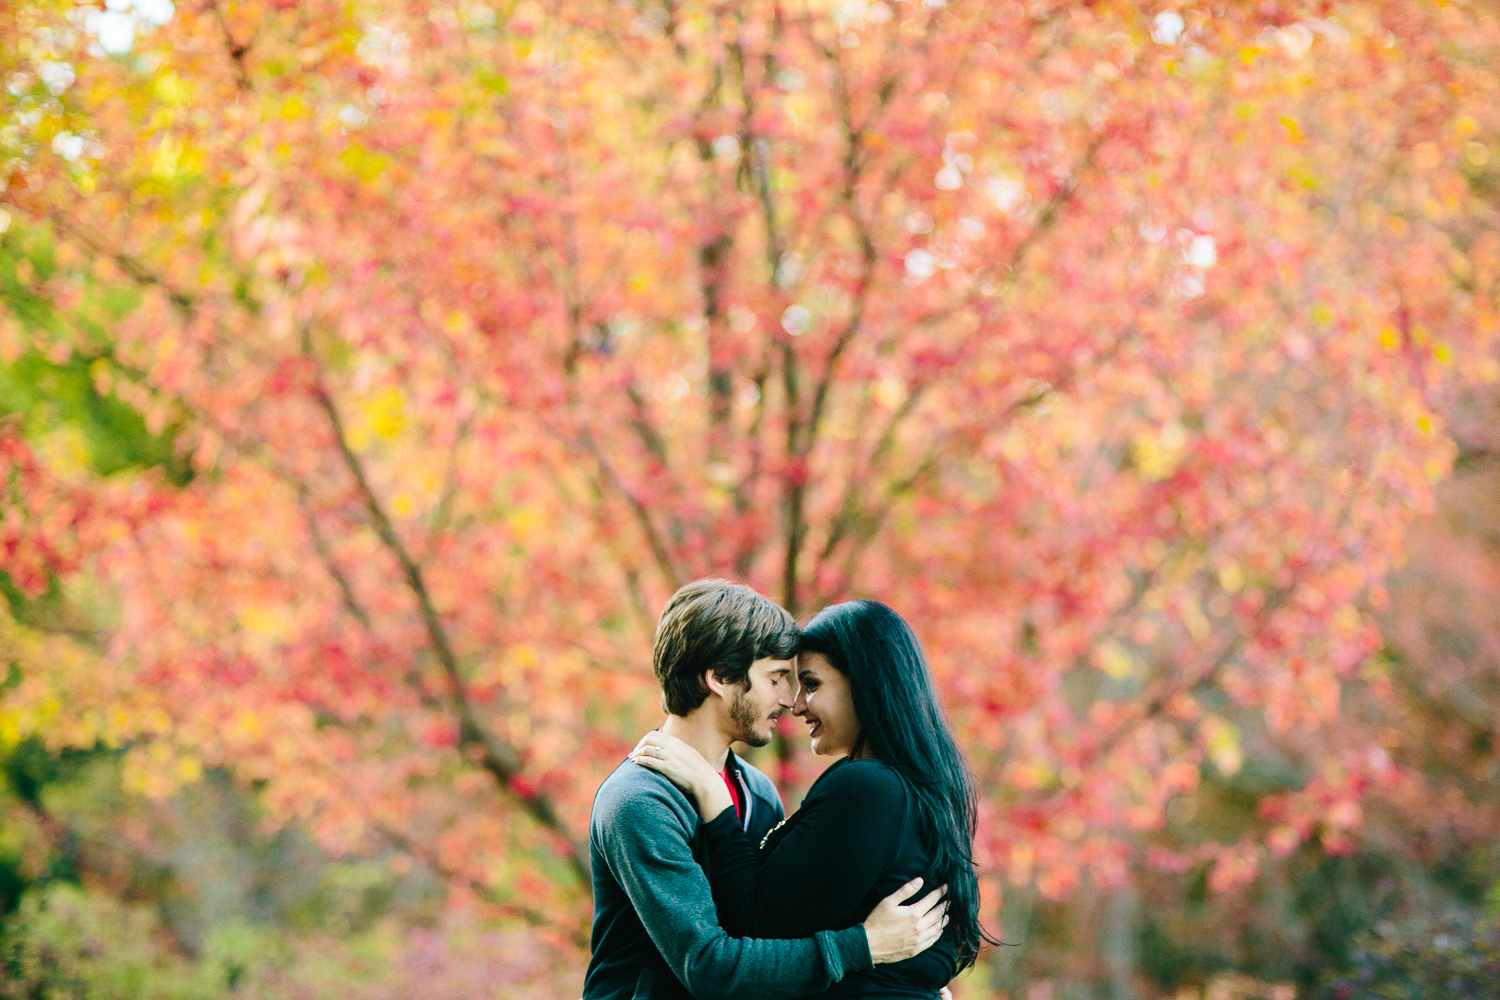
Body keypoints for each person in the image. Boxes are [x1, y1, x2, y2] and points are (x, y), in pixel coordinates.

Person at [583, 580, 949, 1000]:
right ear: (720, 677)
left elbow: (778, 939)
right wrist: (864, 947)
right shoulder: (639, 801)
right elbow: (708, 966)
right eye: (776, 678)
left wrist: (912, 980)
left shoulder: (756, 791)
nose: (789, 700)